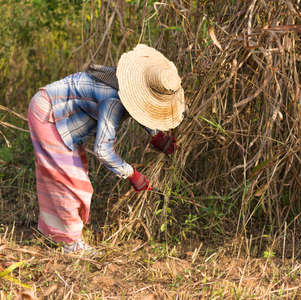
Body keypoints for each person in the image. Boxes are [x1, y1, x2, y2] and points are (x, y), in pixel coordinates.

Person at [27, 44, 185, 253]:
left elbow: (140, 106)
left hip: (62, 117)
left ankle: (53, 234)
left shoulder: (131, 82)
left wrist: (155, 134)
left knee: (67, 177)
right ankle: (70, 244)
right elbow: (102, 150)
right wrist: (132, 174)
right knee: (71, 182)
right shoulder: (113, 101)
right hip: (49, 114)